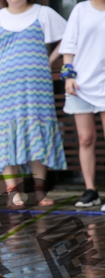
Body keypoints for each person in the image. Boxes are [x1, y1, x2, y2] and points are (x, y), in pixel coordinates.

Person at [0, 0, 67, 207]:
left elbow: (70, 37)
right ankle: (12, 193)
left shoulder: (43, 13)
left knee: (38, 134)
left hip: (38, 86)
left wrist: (49, 60)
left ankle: (39, 192)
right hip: (7, 89)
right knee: (8, 135)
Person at [59, 0, 105, 208]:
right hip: (81, 84)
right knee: (85, 138)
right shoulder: (80, 10)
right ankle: (91, 191)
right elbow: (68, 46)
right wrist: (68, 76)